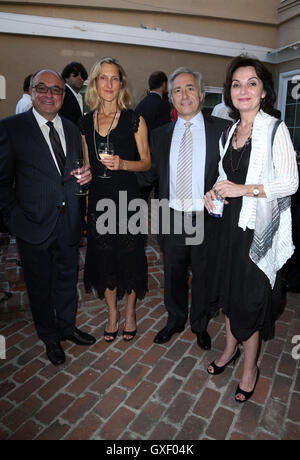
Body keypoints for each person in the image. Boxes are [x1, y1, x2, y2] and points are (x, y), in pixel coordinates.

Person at [204, 55, 298, 403]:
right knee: (229, 297)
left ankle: (250, 368)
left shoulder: (276, 129)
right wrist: (212, 191)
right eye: (236, 84)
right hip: (228, 227)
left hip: (255, 230)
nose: (243, 90)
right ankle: (230, 351)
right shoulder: (229, 131)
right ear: (229, 93)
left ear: (263, 91)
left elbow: (290, 182)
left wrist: (245, 190)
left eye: (251, 83)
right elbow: (223, 175)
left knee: (248, 301)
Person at [0, 69, 96, 366]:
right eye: (42, 88)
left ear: (63, 96)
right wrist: (15, 219)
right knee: (39, 286)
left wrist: (86, 178)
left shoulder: (71, 128)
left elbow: (73, 172)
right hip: (33, 226)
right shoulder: (12, 128)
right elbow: (2, 181)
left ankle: (67, 326)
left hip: (67, 223)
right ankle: (50, 336)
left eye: (56, 90)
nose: (49, 95)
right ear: (30, 92)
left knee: (67, 281)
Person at [138, 67, 229, 350]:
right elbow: (147, 175)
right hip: (172, 217)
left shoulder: (221, 131)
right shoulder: (160, 135)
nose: (184, 95)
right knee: (173, 273)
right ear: (171, 98)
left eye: (190, 88)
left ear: (201, 95)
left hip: (206, 218)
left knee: (203, 274)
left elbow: (232, 172)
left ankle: (199, 323)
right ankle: (175, 319)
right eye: (177, 90)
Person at [78, 57, 150, 343]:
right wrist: (84, 181)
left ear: (121, 83)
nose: (109, 84)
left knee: (130, 258)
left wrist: (123, 164)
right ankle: (112, 314)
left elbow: (146, 162)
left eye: (114, 78)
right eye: (103, 78)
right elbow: (87, 165)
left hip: (128, 200)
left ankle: (130, 313)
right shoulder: (85, 122)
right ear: (95, 83)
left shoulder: (135, 119)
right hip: (99, 201)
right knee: (104, 258)